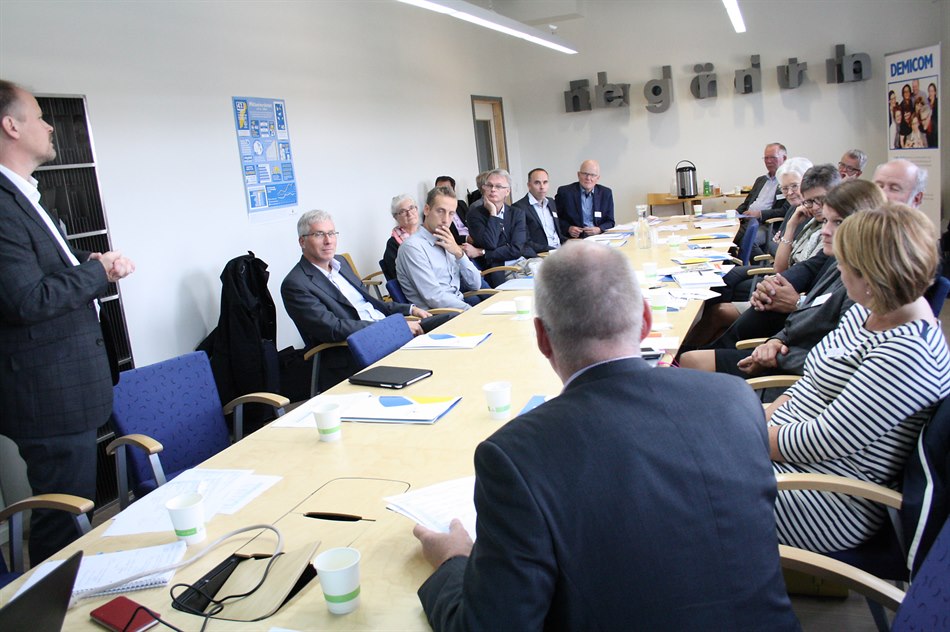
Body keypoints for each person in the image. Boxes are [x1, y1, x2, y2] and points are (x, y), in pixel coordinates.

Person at [412, 240, 800, 631]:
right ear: (645, 319)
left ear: (542, 337)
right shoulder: (736, 399)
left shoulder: (514, 457)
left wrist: (452, 561)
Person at [0, 80, 135, 563]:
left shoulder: (25, 196)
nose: (51, 126)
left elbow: (47, 270)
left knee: (78, 511)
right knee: (62, 518)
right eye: (39, 117)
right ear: (11, 126)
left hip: (70, 382)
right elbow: (24, 299)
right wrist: (97, 273)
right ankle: (50, 598)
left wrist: (90, 262)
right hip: (47, 393)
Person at [768, 202, 949, 553]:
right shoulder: (868, 310)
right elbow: (812, 381)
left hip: (824, 497)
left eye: (845, 261)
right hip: (789, 459)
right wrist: (760, 417)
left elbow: (823, 441)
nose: (838, 267)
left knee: (672, 487)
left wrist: (743, 434)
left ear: (872, 274)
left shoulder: (908, 353)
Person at [680, 179, 884, 379]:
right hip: (782, 343)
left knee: (693, 359)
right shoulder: (836, 257)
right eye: (826, 221)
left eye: (837, 222)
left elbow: (834, 355)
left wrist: (778, 351)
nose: (825, 231)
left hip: (791, 365)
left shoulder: (862, 285)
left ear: (863, 224)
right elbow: (802, 272)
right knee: (699, 351)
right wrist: (772, 294)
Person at [281, 210, 445, 391]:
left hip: (387, 329)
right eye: (319, 234)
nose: (328, 241)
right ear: (302, 241)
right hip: (356, 348)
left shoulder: (340, 263)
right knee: (436, 360)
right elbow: (334, 329)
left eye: (331, 233)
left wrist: (409, 309)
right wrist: (393, 327)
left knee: (448, 320)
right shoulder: (296, 284)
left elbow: (372, 304)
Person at [396, 186, 481, 311]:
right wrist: (472, 311)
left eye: (451, 214)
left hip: (459, 307)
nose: (446, 220)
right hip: (439, 315)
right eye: (440, 211)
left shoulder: (447, 241)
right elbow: (434, 298)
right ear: (426, 210)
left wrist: (459, 253)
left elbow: (476, 284)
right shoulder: (412, 248)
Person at [466, 168, 529, 287]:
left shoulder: (517, 213)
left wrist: (482, 252)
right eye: (489, 185)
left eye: (498, 186)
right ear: (483, 189)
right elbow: (490, 243)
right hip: (498, 270)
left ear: (507, 191)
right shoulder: (474, 215)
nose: (493, 189)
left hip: (523, 263)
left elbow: (517, 249)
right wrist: (493, 214)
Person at [554, 159, 615, 238]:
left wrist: (599, 229)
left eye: (592, 175)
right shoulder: (565, 192)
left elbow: (610, 222)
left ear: (598, 178)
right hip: (574, 239)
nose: (588, 178)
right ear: (578, 175)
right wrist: (568, 228)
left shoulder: (606, 193)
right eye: (585, 174)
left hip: (598, 237)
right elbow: (555, 218)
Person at [512, 167, 562, 255]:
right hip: (542, 254)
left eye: (545, 182)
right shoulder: (519, 208)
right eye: (537, 183)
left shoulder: (551, 202)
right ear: (529, 185)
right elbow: (525, 242)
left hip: (559, 250)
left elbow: (558, 234)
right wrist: (553, 250)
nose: (542, 187)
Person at [735, 142, 788, 220]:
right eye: (766, 158)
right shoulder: (760, 180)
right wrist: (736, 212)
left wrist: (760, 214)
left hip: (766, 223)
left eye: (773, 157)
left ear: (784, 158)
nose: (769, 161)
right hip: (746, 220)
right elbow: (747, 203)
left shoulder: (788, 182)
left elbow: (785, 210)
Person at [381, 193, 420, 281]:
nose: (409, 213)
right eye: (403, 211)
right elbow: (397, 275)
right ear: (395, 217)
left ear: (416, 209)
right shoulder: (393, 244)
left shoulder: (427, 234)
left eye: (411, 208)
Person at [435, 175, 470, 240]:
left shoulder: (461, 204)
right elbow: (442, 236)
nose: (443, 193)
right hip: (457, 242)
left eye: (446, 189)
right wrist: (467, 239)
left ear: (453, 191)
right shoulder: (433, 212)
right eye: (439, 190)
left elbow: (472, 223)